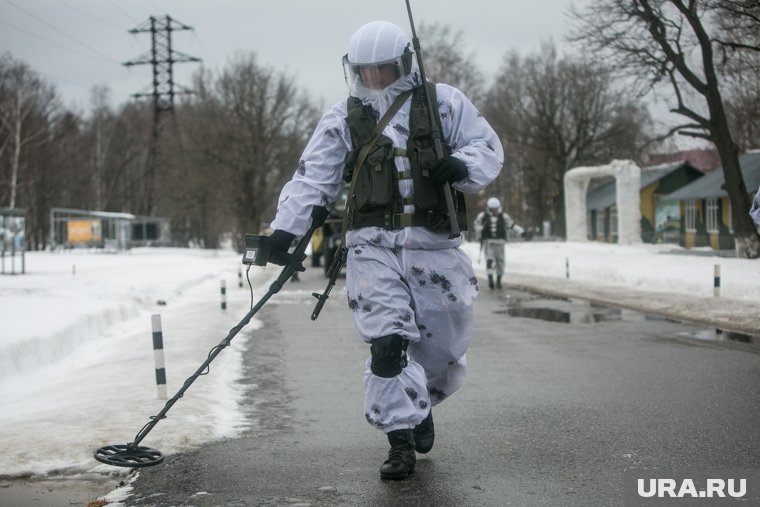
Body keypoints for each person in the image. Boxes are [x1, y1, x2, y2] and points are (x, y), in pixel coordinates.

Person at [265, 20, 503, 480]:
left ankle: (420, 404)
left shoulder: (444, 104)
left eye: (384, 70)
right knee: (388, 342)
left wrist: (463, 163)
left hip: (435, 247)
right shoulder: (342, 118)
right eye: (366, 71)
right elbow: (313, 177)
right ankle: (399, 442)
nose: (374, 80)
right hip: (371, 247)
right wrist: (283, 231)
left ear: (404, 65)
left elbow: (486, 147)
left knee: (442, 347)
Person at [473, 197, 525, 289]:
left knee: (500, 262)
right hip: (488, 243)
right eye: (492, 209)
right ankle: (490, 281)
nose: (494, 211)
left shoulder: (504, 217)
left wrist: (521, 231)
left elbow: (511, 225)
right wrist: (480, 230)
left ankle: (498, 280)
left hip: (500, 243)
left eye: (496, 209)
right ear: (489, 208)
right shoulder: (483, 216)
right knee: (489, 261)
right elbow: (476, 224)